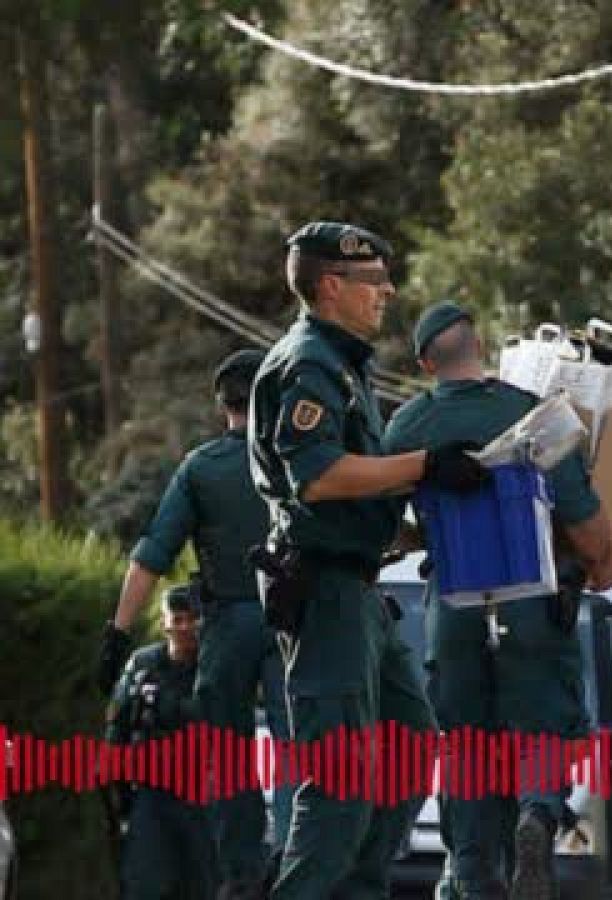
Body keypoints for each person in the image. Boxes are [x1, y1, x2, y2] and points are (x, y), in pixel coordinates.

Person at [249, 221, 486, 897]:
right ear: (331, 286)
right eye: (373, 281)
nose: (386, 292)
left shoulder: (342, 362)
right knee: (340, 783)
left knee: (412, 748)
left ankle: (356, 889)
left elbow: (349, 495)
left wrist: (417, 527)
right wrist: (425, 464)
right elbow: (317, 477)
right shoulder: (309, 364)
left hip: (360, 590)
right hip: (325, 596)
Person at [383, 301, 612, 900]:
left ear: (424, 363)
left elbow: (380, 527)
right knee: (541, 720)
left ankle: (470, 870)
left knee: (464, 739)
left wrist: (426, 529)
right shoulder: (531, 413)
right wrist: (600, 564)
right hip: (530, 595)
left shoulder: (407, 428)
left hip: (455, 603)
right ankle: (537, 814)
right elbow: (586, 523)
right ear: (480, 347)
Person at [98, 348, 289, 899]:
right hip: (291, 623)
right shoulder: (295, 459)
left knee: (229, 753)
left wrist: (117, 633)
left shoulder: (201, 468)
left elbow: (151, 556)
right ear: (267, 399)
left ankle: (242, 872)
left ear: (222, 405)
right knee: (295, 740)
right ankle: (295, 855)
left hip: (228, 625)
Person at [105, 585, 219, 899]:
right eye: (177, 619)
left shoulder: (216, 667)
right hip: (151, 795)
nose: (185, 628)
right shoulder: (143, 666)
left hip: (203, 796)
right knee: (143, 884)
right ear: (164, 622)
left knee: (203, 886)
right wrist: (120, 796)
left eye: (192, 619)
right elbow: (117, 731)